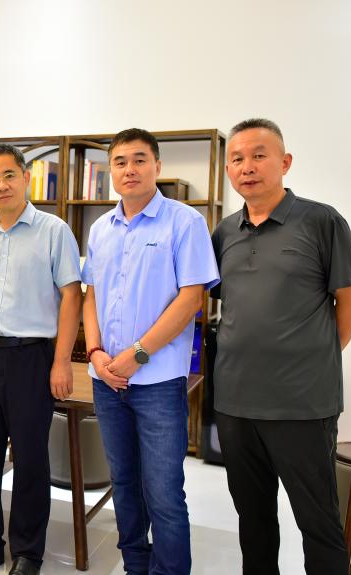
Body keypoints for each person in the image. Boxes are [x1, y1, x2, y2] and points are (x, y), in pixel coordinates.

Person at [211, 118, 351, 574]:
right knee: (253, 519)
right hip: (236, 403)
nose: (247, 167)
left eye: (259, 155)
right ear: (228, 169)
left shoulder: (322, 221)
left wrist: (315, 358)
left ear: (285, 162)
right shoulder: (224, 232)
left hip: (302, 404)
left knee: (318, 522)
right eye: (237, 158)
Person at [82, 128, 219, 574]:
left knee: (163, 492)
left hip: (156, 382)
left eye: (139, 160)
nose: (130, 169)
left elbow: (191, 298)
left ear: (157, 166)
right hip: (107, 381)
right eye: (120, 162)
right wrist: (96, 352)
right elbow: (91, 295)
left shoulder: (184, 222)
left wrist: (136, 355)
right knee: (124, 484)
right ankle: (135, 567)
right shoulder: (100, 228)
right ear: (111, 171)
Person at [0, 145, 81, 575]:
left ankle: (28, 551)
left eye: (9, 175)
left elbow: (72, 297)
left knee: (30, 459)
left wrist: (61, 362)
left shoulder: (54, 231)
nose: (1, 185)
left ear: (25, 177)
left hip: (30, 357)